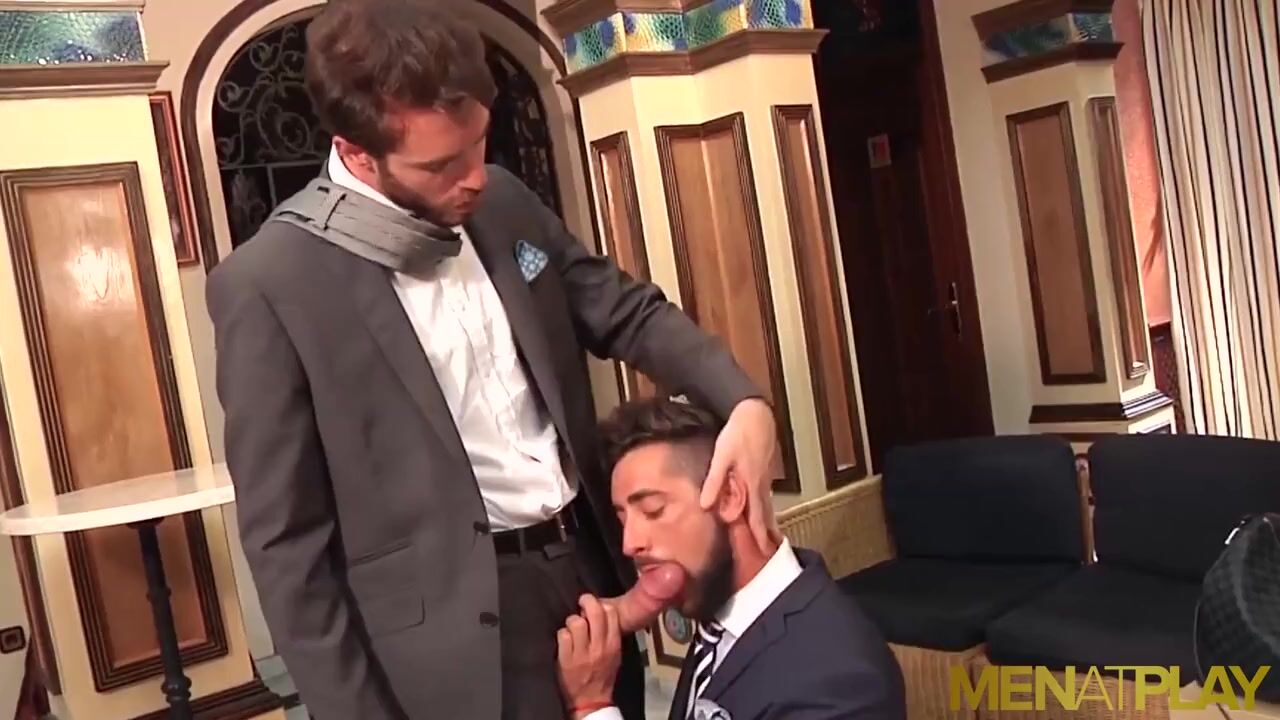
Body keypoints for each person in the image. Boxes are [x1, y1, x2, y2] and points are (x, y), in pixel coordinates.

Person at [204, 0, 783, 718]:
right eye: (440, 165)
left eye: (479, 143)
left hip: (586, 570)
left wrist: (744, 400)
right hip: (450, 639)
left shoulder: (502, 200)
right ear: (356, 154)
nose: (474, 178)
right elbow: (287, 547)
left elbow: (625, 311)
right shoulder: (270, 283)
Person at [557, 397, 906, 720]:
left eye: (653, 510)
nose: (629, 544)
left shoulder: (841, 681)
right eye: (623, 520)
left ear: (729, 497)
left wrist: (594, 707)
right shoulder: (721, 618)